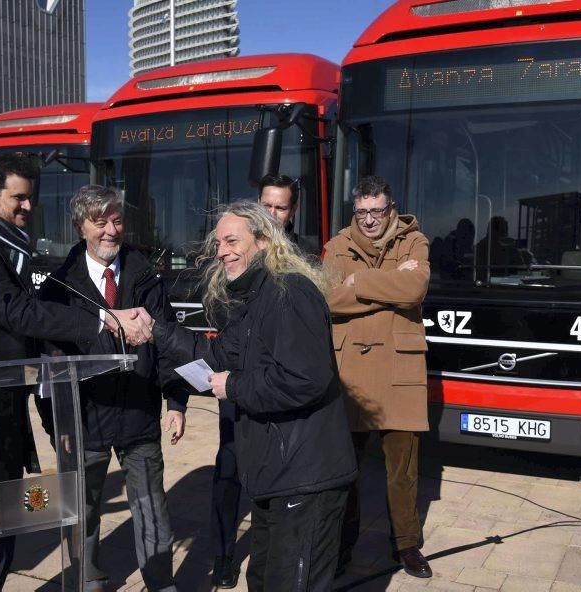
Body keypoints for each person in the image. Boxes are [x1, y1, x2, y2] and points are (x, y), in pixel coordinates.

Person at [0, 155, 150, 590]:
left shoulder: (2, 246)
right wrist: (101, 320)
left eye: (31, 198)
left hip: (2, 414)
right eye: (20, 197)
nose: (28, 207)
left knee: (5, 534)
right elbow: (16, 311)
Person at [145, 201, 357, 591]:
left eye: (231, 240)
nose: (222, 251)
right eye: (218, 243)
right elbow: (215, 359)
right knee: (263, 581)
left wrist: (235, 387)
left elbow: (307, 378)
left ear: (263, 240)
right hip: (275, 476)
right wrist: (156, 330)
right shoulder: (255, 298)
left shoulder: (288, 292)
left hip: (305, 480)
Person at [37, 185, 186, 592]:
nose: (110, 231)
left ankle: (160, 582)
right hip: (84, 424)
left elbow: (169, 342)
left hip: (138, 417)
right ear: (80, 227)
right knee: (80, 511)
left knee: (151, 508)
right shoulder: (58, 285)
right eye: (99, 222)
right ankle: (88, 581)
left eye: (117, 220)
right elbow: (47, 368)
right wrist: (58, 429)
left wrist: (176, 401)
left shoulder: (145, 275)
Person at [323, 175, 432, 579]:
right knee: (344, 469)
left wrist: (360, 283)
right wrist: (389, 286)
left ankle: (406, 546)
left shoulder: (414, 241)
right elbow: (328, 298)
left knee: (403, 471)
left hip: (399, 370)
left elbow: (415, 288)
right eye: (362, 212)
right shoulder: (337, 246)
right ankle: (341, 546)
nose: (369, 220)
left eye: (377, 211)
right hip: (349, 373)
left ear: (391, 209)